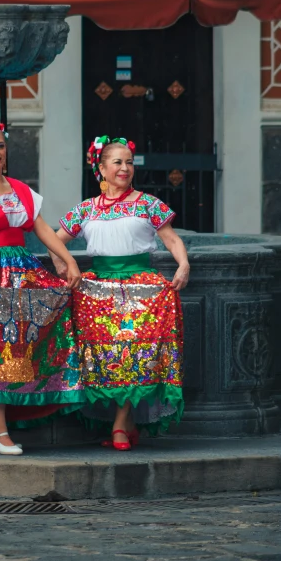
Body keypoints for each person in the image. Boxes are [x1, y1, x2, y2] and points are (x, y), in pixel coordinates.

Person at [0, 120, 84, 455]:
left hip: (21, 275)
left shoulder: (21, 190)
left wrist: (68, 259)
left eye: (0, 146)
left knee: (20, 346)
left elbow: (42, 230)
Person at [50, 135, 189, 450]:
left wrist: (183, 265)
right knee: (101, 357)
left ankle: (119, 426)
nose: (125, 168)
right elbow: (54, 240)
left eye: (129, 162)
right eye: (117, 162)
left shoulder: (147, 203)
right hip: (96, 291)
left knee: (137, 355)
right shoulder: (86, 208)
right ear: (101, 168)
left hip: (142, 290)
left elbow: (171, 239)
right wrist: (63, 265)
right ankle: (124, 424)